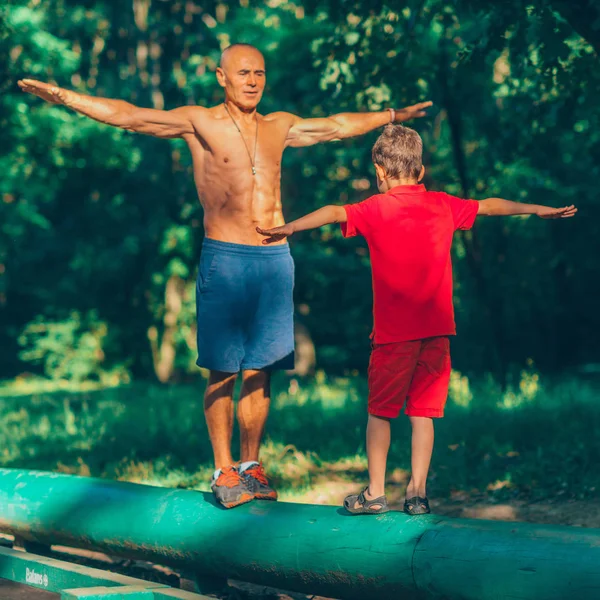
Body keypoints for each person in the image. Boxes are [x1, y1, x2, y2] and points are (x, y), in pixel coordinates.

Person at [18, 43, 432, 509]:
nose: (252, 80)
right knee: (223, 370)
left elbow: (336, 126)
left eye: (259, 72)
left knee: (262, 370)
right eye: (242, 73)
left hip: (275, 260)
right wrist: (64, 96)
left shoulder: (280, 125)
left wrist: (391, 114)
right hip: (225, 258)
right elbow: (129, 116)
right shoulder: (199, 122)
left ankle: (251, 465)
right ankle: (223, 467)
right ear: (221, 76)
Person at [257, 124, 577, 515]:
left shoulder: (374, 209)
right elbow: (490, 204)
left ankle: (375, 492)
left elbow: (332, 213)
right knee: (423, 415)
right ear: (421, 171)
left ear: (379, 171)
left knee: (380, 413)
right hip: (438, 334)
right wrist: (538, 209)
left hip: (394, 337)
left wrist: (290, 227)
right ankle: (417, 493)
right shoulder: (443, 204)